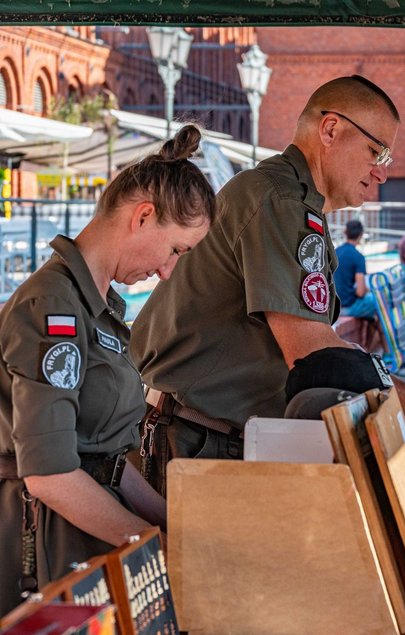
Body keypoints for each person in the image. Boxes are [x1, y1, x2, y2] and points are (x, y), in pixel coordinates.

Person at [131, 76, 405, 496]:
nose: (381, 172)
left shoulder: (293, 201)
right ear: (330, 129)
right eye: (376, 151)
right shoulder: (279, 201)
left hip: (205, 436)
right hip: (193, 441)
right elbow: (312, 352)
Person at [0, 125, 215, 614]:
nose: (167, 272)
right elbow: (51, 475)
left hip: (88, 533)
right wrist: (154, 545)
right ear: (143, 216)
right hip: (48, 547)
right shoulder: (53, 308)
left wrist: (178, 528)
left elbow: (109, 459)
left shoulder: (97, 308)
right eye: (175, 250)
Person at [334, 219, 376, 319]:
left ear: (345, 233)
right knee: (377, 300)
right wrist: (367, 290)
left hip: (332, 307)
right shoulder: (358, 257)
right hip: (348, 307)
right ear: (360, 235)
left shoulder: (335, 252)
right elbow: (360, 292)